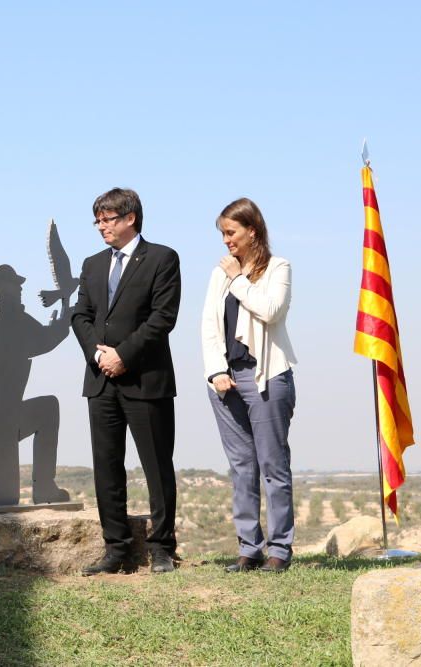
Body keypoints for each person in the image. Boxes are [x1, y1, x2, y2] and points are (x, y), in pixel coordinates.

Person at [71, 188, 181, 575]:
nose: (101, 226)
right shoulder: (92, 263)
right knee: (106, 467)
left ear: (130, 218)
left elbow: (162, 318)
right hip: (100, 380)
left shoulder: (162, 258)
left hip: (146, 380)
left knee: (156, 465)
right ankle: (115, 549)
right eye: (98, 220)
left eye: (108, 218)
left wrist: (123, 355)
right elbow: (80, 315)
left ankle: (163, 548)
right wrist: (100, 355)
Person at [201, 197, 297, 574]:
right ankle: (249, 548)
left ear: (251, 230)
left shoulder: (278, 268)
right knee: (241, 466)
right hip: (226, 379)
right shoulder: (217, 274)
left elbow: (271, 310)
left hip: (267, 375)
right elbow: (209, 325)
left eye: (231, 232)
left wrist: (238, 279)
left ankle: (279, 550)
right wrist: (215, 371)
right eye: (222, 234)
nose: (226, 241)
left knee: (273, 464)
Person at [0, 264, 71, 508]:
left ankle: (42, 487)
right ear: (3, 287)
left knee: (7, 496)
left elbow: (38, 338)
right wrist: (66, 320)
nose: (21, 287)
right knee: (49, 409)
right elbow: (45, 340)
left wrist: (59, 323)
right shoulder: (10, 317)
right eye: (16, 283)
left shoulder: (8, 318)